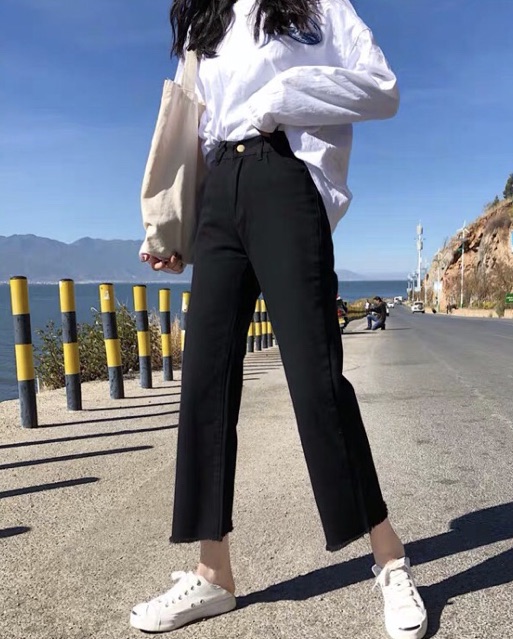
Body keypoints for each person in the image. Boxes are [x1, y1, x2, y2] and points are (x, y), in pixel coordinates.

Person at [133, 2, 427, 638]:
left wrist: (280, 96)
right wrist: (171, 226)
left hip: (284, 179)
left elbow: (382, 89)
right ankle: (213, 574)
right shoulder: (205, 22)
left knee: (315, 378)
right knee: (204, 382)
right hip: (218, 192)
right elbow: (187, 126)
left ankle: (389, 557)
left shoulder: (314, 7)